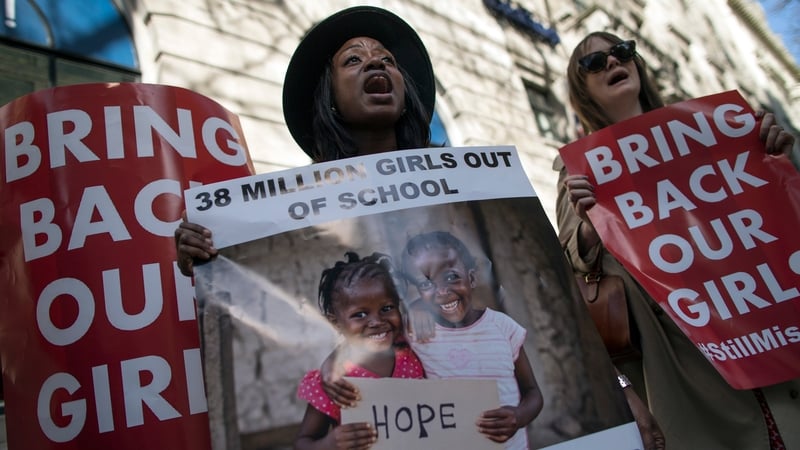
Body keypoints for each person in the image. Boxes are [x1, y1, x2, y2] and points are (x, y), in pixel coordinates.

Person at [554, 31, 799, 450]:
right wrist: (591, 224)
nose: (613, 63)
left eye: (621, 52)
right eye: (594, 64)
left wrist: (774, 160)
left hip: (767, 329)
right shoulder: (577, 167)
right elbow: (572, 257)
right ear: (583, 90)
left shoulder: (714, 128)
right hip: (688, 361)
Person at [174, 5, 435, 274]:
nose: (375, 62)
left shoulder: (461, 184)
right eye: (353, 60)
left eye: (388, 60)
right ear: (329, 100)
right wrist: (209, 249)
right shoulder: (292, 211)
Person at [294, 252, 425, 450]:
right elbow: (302, 443)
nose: (376, 321)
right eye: (360, 314)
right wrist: (329, 444)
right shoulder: (335, 382)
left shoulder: (412, 345)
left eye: (387, 308)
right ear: (335, 322)